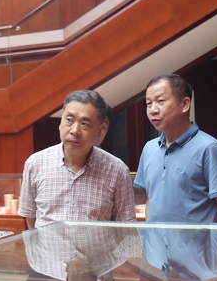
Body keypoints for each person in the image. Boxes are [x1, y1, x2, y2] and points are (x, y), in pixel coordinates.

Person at [18, 89, 135, 228]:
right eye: (69, 120)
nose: (74, 131)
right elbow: (29, 216)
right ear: (60, 123)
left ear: (100, 130)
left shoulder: (117, 170)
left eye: (84, 124)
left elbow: (126, 228)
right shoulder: (35, 163)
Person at [134, 74, 217, 223]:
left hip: (197, 239)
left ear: (185, 104)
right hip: (156, 239)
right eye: (149, 103)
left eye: (160, 101)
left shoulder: (209, 148)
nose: (153, 110)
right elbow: (150, 199)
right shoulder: (149, 148)